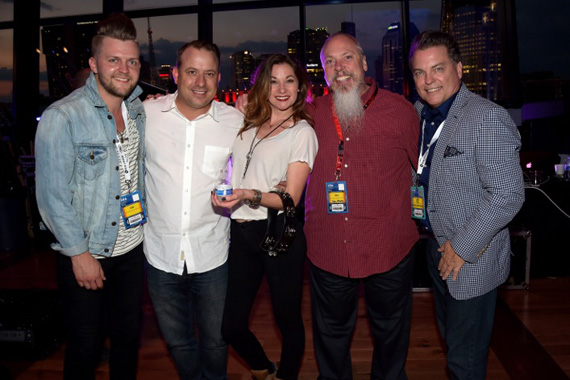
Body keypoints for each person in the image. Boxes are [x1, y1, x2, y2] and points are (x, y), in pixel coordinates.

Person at [409, 30, 525, 380]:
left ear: (459, 69)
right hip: (435, 249)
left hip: (470, 256)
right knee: (453, 344)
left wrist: (460, 248)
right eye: (419, 72)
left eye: (438, 69)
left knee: (465, 360)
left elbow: (507, 194)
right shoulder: (417, 113)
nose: (428, 81)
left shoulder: (485, 117)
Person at [35, 13, 145, 380]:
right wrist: (78, 254)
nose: (124, 69)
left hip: (132, 248)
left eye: (131, 61)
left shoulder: (138, 111)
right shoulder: (62, 117)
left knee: (128, 341)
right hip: (87, 251)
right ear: (94, 64)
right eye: (114, 60)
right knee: (85, 347)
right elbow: (51, 197)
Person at [304, 33, 420, 380]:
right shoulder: (310, 114)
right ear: (323, 72)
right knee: (331, 336)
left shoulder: (400, 111)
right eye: (330, 63)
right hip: (328, 248)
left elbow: (426, 173)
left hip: (389, 247)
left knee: (390, 334)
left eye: (347, 58)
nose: (340, 69)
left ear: (365, 63)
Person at [213, 54, 318, 380]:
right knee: (231, 325)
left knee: (287, 319)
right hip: (242, 234)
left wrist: (248, 194)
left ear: (300, 87)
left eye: (289, 80)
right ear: (263, 85)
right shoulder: (246, 123)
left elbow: (290, 199)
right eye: (273, 80)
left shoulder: (302, 132)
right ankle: (262, 369)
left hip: (278, 233)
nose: (281, 88)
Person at [143, 40, 243, 380]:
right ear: (175, 74)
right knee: (177, 342)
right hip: (160, 253)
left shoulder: (235, 122)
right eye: (191, 72)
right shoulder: (147, 115)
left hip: (212, 253)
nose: (200, 82)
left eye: (209, 73)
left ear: (219, 78)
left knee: (216, 341)